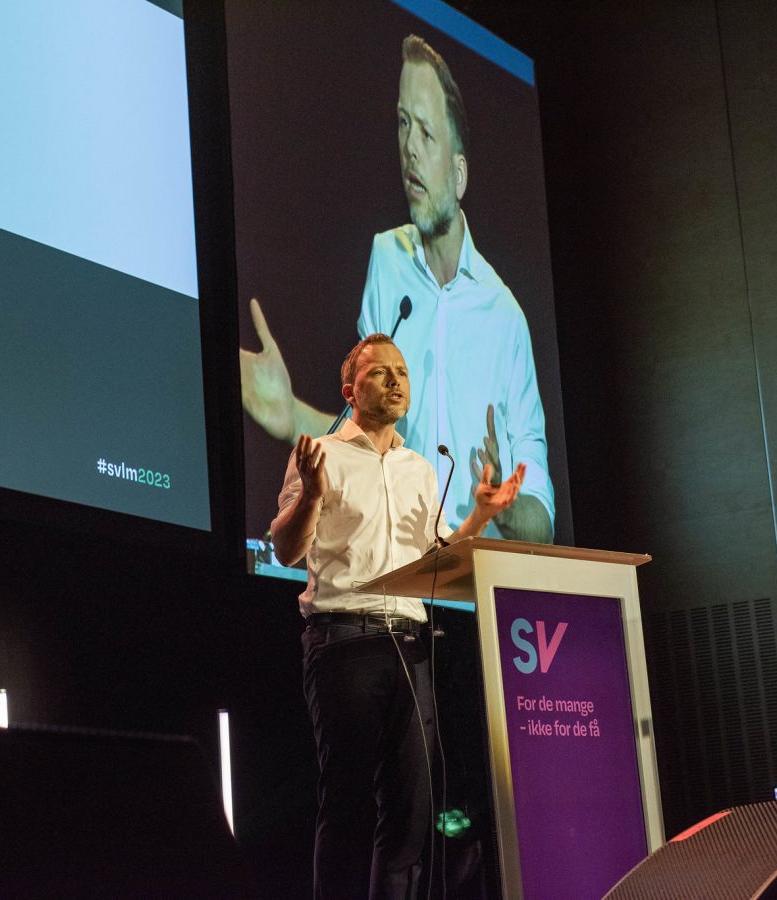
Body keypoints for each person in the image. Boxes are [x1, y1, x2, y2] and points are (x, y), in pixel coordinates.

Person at [243, 34, 554, 544]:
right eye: (403, 124)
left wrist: (504, 501)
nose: (409, 147)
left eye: (427, 134)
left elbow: (541, 520)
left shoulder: (505, 319)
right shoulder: (385, 261)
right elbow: (364, 439)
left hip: (477, 588)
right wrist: (289, 415)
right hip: (395, 573)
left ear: (459, 175)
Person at [272, 333, 523, 899]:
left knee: (414, 811)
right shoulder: (320, 455)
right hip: (343, 642)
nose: (395, 379)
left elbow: (432, 560)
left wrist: (478, 518)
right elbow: (287, 550)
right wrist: (312, 494)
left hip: (410, 645)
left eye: (402, 371)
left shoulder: (419, 468)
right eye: (380, 371)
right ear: (349, 391)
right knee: (349, 807)